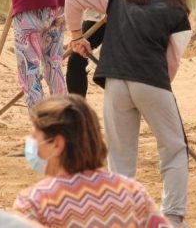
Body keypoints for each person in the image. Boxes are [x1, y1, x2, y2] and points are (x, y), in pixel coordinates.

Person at [64, 0, 193, 228]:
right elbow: (171, 63)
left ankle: (119, 217)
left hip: (114, 81)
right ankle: (172, 217)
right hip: (152, 82)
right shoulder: (179, 13)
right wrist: (157, 98)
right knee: (174, 149)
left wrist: (77, 37)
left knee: (120, 155)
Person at [12, 95, 170, 228]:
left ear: (57, 144)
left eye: (34, 136)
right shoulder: (132, 192)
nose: (28, 142)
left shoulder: (35, 203)